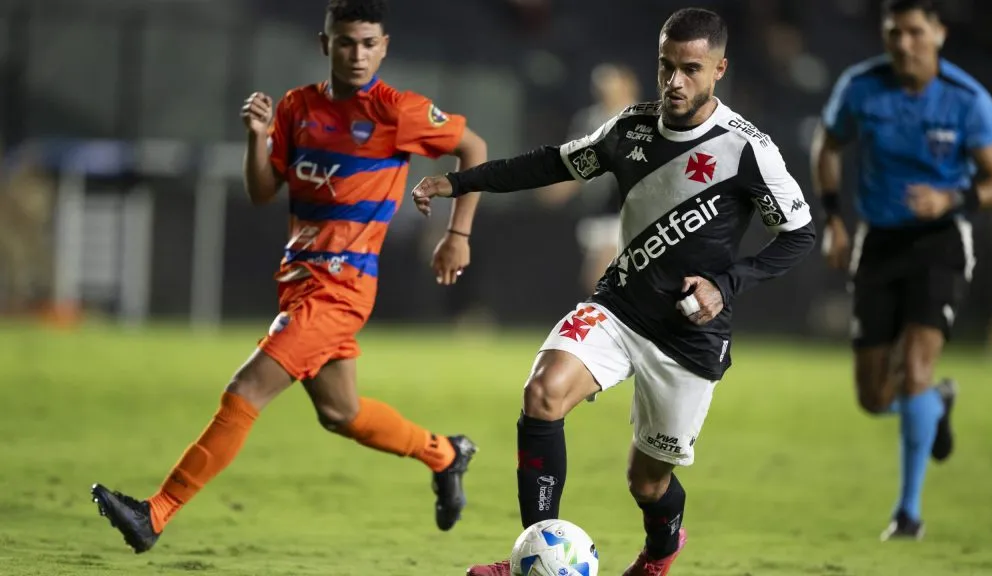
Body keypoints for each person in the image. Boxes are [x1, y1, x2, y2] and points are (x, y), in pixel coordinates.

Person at [413, 8, 815, 576]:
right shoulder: (630, 129)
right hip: (619, 308)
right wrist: (461, 181)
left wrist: (727, 286)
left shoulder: (748, 150)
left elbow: (799, 236)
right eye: (666, 66)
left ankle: (661, 550)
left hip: (689, 337)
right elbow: (551, 163)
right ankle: (534, 552)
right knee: (542, 393)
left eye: (690, 69)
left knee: (647, 483)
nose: (674, 81)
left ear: (719, 69)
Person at [90, 0, 488, 553]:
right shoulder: (297, 107)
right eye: (346, 42)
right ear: (325, 43)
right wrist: (257, 136)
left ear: (384, 47)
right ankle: (445, 453)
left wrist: (457, 233)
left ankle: (155, 513)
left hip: (342, 287)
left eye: (369, 43)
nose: (358, 54)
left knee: (244, 391)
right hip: (300, 278)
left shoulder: (397, 110)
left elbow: (474, 148)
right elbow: (261, 192)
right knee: (340, 413)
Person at [811, 0, 992, 540]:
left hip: (940, 243)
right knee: (874, 396)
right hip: (877, 242)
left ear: (939, 34)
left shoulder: (967, 101)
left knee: (917, 368)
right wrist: (833, 220)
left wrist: (952, 199)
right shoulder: (861, 86)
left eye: (915, 32)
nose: (904, 43)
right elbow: (826, 147)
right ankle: (936, 403)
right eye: (894, 32)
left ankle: (908, 514)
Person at [539, 63, 641, 294]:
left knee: (599, 277)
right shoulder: (589, 119)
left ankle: (611, 323)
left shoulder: (639, 117)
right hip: (596, 208)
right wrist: (560, 186)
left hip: (626, 208)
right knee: (597, 280)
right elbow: (578, 161)